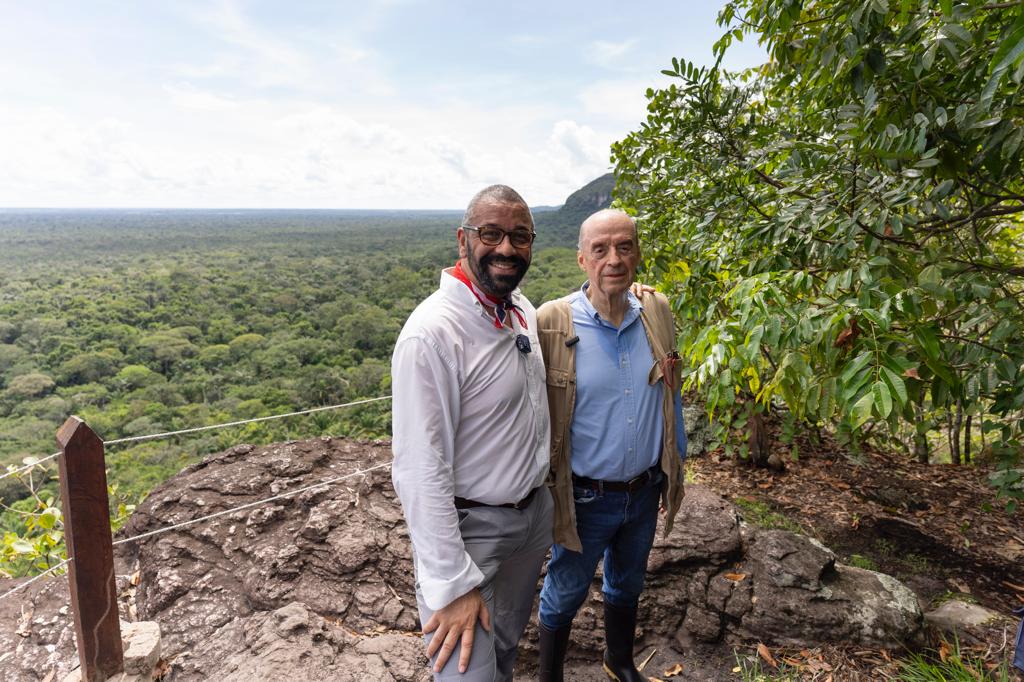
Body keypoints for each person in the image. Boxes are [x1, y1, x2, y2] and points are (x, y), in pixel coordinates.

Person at [391, 185, 553, 682]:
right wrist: (452, 586)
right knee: (467, 673)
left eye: (519, 236)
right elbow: (420, 469)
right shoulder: (433, 334)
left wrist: (624, 290)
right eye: (491, 233)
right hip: (471, 533)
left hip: (531, 520)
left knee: (504, 652)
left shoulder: (517, 308)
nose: (506, 248)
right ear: (463, 240)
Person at [535, 209, 687, 682]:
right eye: (600, 249)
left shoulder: (656, 312)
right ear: (582, 258)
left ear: (638, 254)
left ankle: (619, 661)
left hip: (643, 489)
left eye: (624, 247)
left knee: (628, 582)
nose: (614, 259)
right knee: (564, 590)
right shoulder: (553, 325)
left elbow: (671, 393)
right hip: (584, 495)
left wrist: (673, 471)